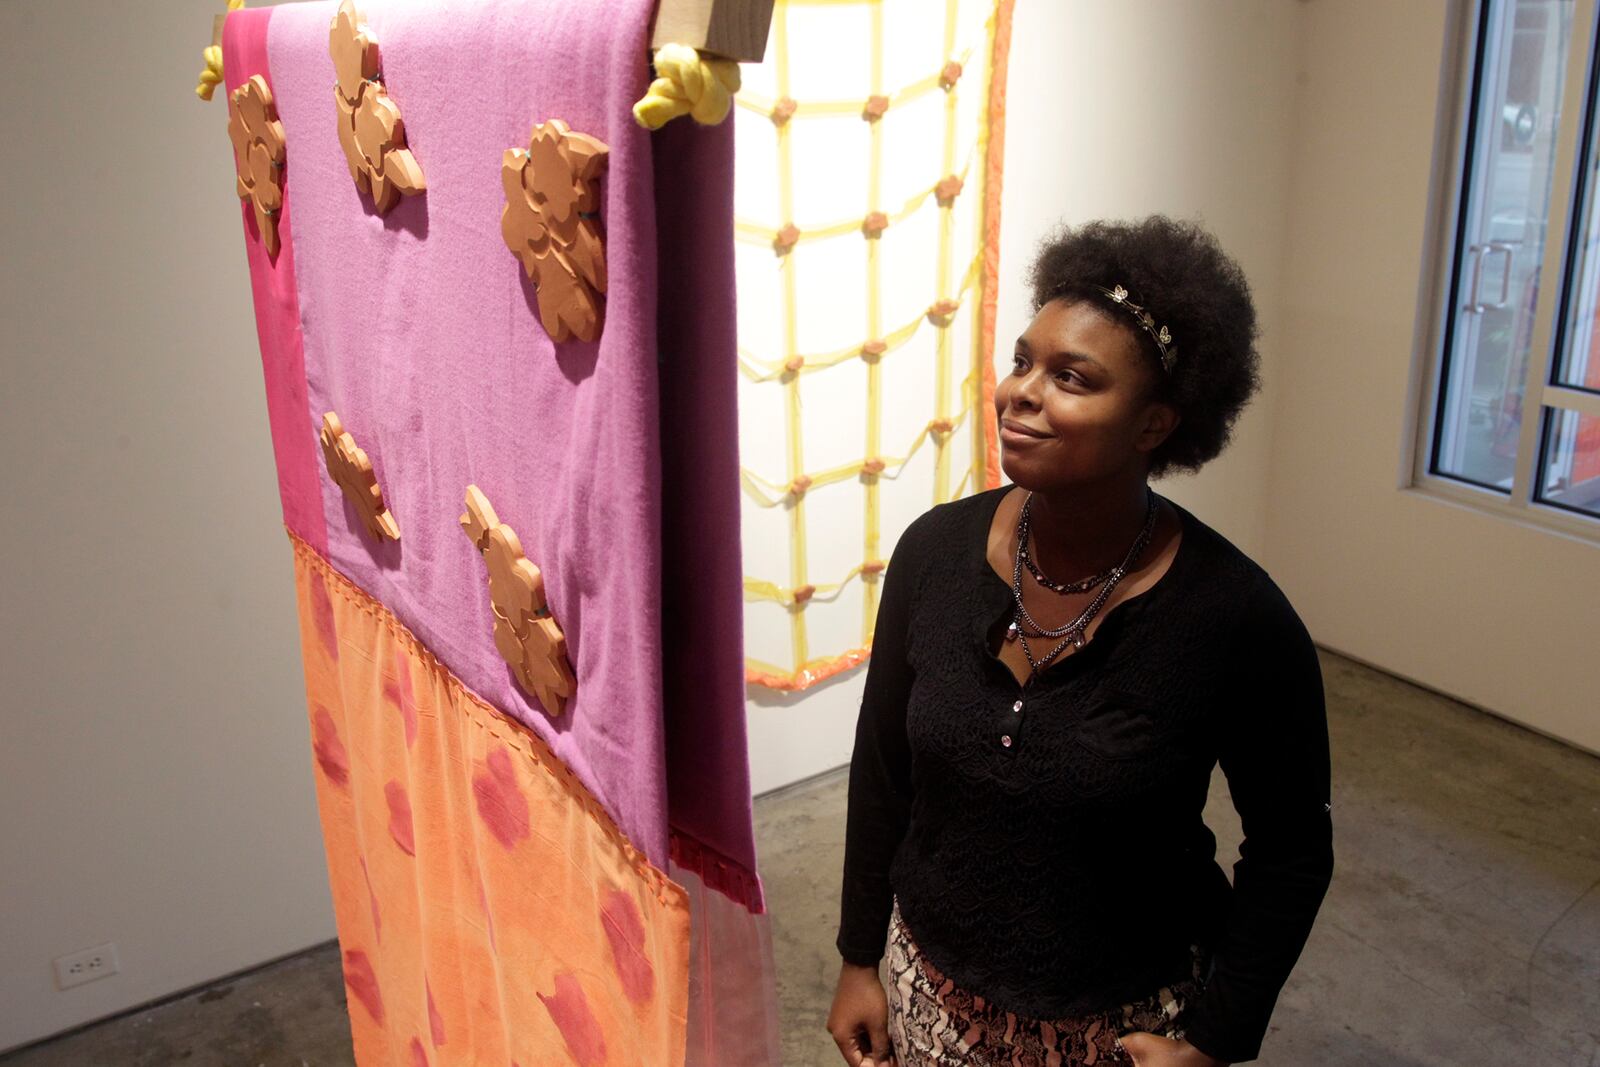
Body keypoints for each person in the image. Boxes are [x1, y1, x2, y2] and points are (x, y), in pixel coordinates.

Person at [826, 215, 1335, 1067]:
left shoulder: (1235, 617)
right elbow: (883, 770)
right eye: (1023, 360)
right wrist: (856, 957)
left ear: (1155, 424)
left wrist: (1214, 1040)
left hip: (1121, 1025)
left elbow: (1290, 848)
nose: (1020, 391)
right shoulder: (934, 553)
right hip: (929, 997)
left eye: (1073, 377)